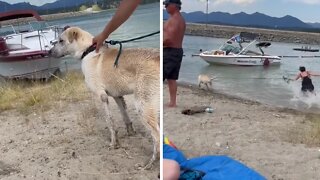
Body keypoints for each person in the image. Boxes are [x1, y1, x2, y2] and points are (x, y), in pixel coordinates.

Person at [163, 0, 186, 107]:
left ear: (174, 6)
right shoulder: (179, 18)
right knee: (171, 78)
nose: (165, 6)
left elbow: (169, 40)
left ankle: (155, 101)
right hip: (177, 51)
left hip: (170, 51)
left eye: (167, 4)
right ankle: (173, 103)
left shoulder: (175, 20)